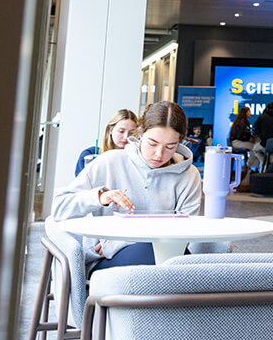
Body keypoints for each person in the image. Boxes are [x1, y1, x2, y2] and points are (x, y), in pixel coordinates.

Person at [53, 101, 203, 271]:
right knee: (158, 257)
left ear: (180, 143)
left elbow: (184, 234)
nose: (159, 154)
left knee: (181, 263)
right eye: (152, 143)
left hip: (164, 257)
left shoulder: (189, 175)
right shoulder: (110, 162)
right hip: (107, 260)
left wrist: (117, 242)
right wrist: (99, 197)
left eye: (170, 147)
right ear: (140, 134)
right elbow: (59, 207)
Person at [75, 109, 137, 175]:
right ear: (111, 130)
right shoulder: (89, 155)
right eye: (121, 131)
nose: (126, 137)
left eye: (131, 133)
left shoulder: (136, 160)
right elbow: (80, 183)